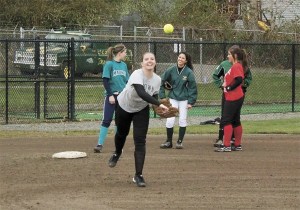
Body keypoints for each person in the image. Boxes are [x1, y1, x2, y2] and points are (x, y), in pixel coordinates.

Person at [107, 52, 169, 187]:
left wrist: (158, 108)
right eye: (146, 59)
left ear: (155, 62)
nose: (149, 61)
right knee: (121, 134)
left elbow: (154, 95)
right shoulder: (137, 74)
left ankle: (138, 175)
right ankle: (117, 152)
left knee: (140, 140)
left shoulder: (157, 79)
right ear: (142, 63)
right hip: (124, 106)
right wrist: (159, 104)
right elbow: (141, 93)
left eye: (152, 59)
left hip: (141, 109)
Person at [212, 45, 252, 148]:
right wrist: (224, 86)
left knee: (226, 120)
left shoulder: (237, 65)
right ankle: (236, 144)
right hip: (233, 95)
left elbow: (239, 79)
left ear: (235, 55)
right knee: (235, 119)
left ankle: (226, 145)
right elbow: (217, 76)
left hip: (233, 96)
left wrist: (229, 88)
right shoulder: (233, 65)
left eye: (229, 54)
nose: (227, 56)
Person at [94, 44, 129, 153]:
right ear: (120, 53)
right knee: (107, 120)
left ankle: (118, 147)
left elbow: (127, 81)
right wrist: (110, 95)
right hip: (111, 96)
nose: (126, 54)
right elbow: (105, 81)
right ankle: (99, 144)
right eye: (125, 52)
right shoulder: (109, 64)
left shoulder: (124, 65)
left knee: (119, 122)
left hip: (122, 97)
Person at [159, 52, 198, 149]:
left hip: (184, 99)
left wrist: (191, 102)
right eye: (179, 57)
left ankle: (179, 142)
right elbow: (161, 80)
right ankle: (168, 142)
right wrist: (162, 95)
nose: (180, 59)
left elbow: (193, 87)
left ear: (186, 61)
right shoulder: (171, 69)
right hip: (173, 98)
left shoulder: (188, 72)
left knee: (182, 120)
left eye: (183, 58)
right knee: (170, 120)